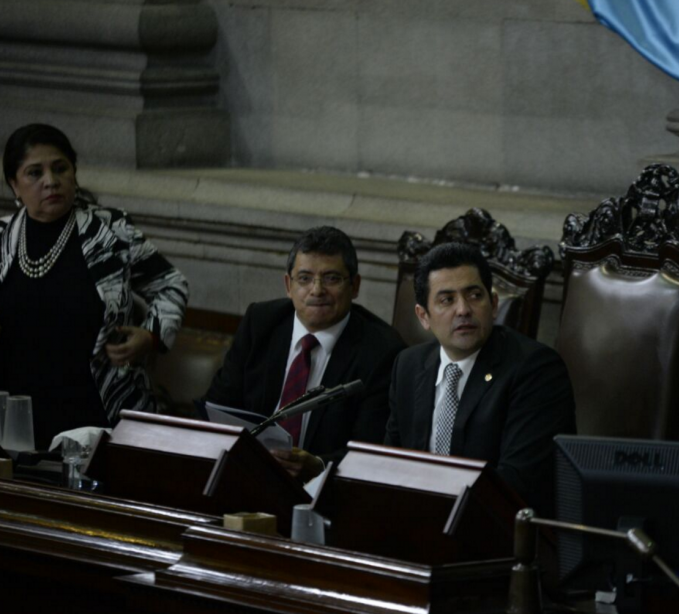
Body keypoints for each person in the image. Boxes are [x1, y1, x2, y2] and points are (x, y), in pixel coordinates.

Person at [0, 123, 189, 449]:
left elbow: (170, 284)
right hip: (16, 414)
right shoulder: (2, 238)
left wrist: (151, 335)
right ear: (14, 186)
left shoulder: (112, 230)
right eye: (34, 173)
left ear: (74, 173)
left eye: (60, 168)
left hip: (98, 408)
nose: (51, 181)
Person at [385, 242, 576, 517]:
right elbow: (390, 462)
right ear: (424, 316)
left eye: (474, 295)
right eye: (447, 300)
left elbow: (517, 483)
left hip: (495, 530)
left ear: (494, 303)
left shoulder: (536, 369)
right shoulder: (408, 366)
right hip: (416, 521)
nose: (463, 309)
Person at [205, 226, 406, 480]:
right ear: (288, 285)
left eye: (332, 278)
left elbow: (372, 451)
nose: (317, 290)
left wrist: (320, 465)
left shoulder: (382, 351)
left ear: (355, 286)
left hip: (323, 492)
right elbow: (218, 405)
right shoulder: (260, 323)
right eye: (305, 278)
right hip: (245, 473)